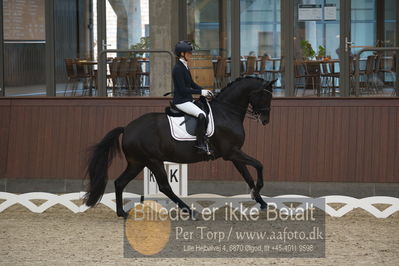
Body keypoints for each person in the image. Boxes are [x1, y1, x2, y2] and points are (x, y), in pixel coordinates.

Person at [172, 40, 214, 155]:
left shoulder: (184, 66)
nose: (191, 54)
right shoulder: (177, 69)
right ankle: (200, 144)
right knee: (201, 115)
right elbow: (182, 89)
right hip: (181, 101)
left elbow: (191, 83)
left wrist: (204, 91)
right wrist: (201, 92)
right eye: (189, 53)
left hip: (187, 99)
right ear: (182, 54)